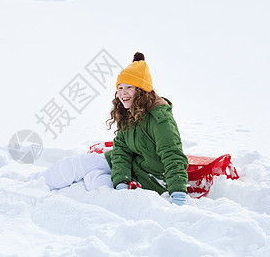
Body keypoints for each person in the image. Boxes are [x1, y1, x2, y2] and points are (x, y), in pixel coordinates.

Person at [27, 52, 189, 205]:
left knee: (93, 180)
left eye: (129, 87)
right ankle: (34, 182)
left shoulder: (160, 119)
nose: (122, 93)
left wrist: (178, 193)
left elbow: (172, 155)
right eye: (120, 87)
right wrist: (122, 181)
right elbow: (121, 150)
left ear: (141, 91)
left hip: (150, 177)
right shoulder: (130, 113)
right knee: (80, 164)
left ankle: (40, 185)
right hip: (133, 165)